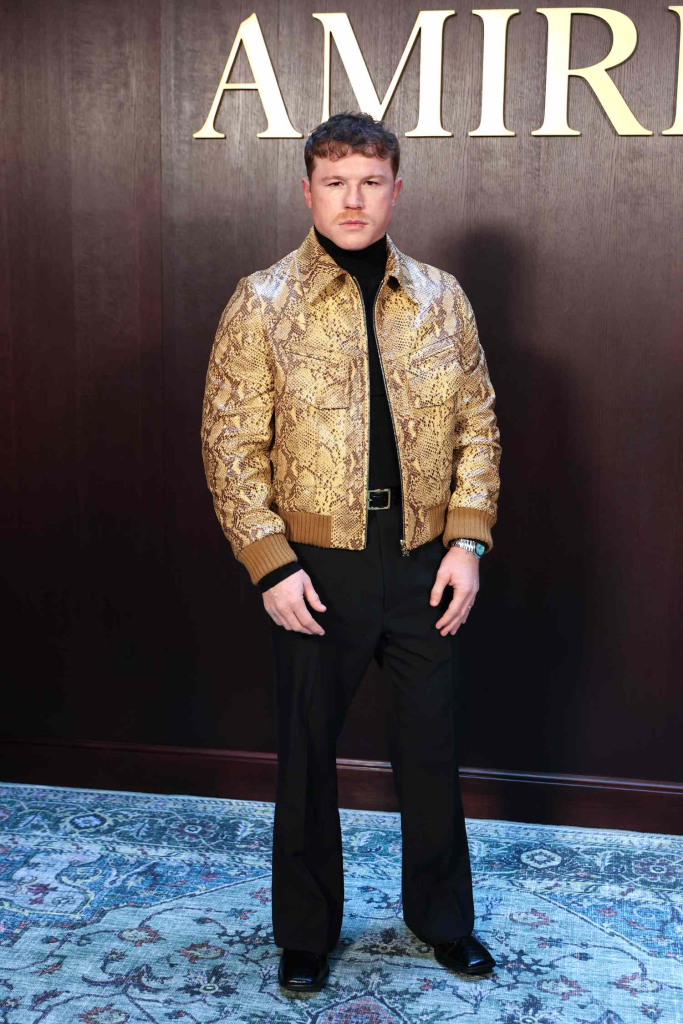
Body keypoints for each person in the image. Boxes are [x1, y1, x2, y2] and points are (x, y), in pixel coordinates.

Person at [201, 111, 502, 992]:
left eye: (370, 182)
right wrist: (269, 561)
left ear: (395, 190)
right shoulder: (261, 300)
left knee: (430, 749)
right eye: (335, 182)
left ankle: (443, 922)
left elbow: (478, 424)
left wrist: (467, 541)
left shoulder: (442, 297)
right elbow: (228, 442)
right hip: (314, 565)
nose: (353, 199)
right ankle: (304, 933)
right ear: (308, 191)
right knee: (304, 754)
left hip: (422, 561)